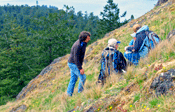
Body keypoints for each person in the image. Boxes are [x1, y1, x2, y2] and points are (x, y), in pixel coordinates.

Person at [67, 31, 91, 96]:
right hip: (73, 63)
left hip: (74, 63)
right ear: (84, 38)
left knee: (73, 79)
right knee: (83, 77)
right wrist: (80, 68)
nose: (89, 39)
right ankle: (80, 93)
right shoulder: (77, 46)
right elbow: (76, 58)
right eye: (88, 38)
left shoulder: (83, 43)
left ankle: (68, 95)